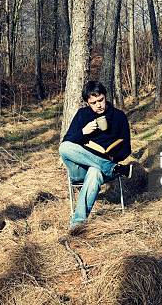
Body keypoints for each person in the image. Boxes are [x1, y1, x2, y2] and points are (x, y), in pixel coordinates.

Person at [59, 81, 132, 232]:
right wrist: (83, 132)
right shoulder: (82, 115)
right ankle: (113, 168)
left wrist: (113, 156)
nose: (98, 105)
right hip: (80, 168)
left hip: (101, 168)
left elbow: (126, 149)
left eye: (101, 100)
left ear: (105, 97)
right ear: (87, 103)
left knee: (95, 172)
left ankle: (77, 224)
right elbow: (68, 141)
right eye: (93, 103)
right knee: (64, 147)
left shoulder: (119, 116)